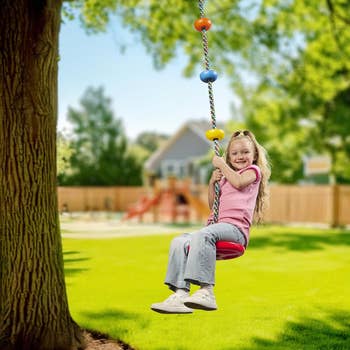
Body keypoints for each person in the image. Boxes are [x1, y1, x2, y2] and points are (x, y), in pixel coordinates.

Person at [151, 130, 271, 314]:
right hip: (216, 228)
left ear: (254, 155)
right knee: (179, 241)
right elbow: (212, 204)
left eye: (245, 152)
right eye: (235, 153)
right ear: (229, 157)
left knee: (204, 234)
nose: (240, 156)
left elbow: (239, 182)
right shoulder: (225, 178)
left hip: (236, 230)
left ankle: (206, 291)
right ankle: (181, 294)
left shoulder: (252, 172)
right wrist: (211, 183)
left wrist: (222, 165)